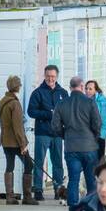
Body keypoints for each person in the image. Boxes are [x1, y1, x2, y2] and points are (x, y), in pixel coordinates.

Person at [52, 76, 104, 211]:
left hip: (71, 148)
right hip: (89, 147)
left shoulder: (61, 104)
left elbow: (55, 126)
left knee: (73, 180)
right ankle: (91, 208)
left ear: (70, 87)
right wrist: (94, 137)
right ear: (81, 87)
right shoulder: (90, 103)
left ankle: (73, 210)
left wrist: (65, 136)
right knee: (90, 180)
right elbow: (97, 123)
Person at [26, 65, 68, 203]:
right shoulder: (37, 93)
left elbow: (67, 112)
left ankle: (58, 189)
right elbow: (31, 111)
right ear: (44, 76)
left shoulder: (63, 93)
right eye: (48, 76)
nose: (51, 79)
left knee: (57, 163)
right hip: (42, 133)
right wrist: (48, 114)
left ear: (57, 76)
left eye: (53, 76)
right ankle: (38, 189)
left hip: (57, 134)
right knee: (39, 162)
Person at [0, 76, 33, 205]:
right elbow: (18, 126)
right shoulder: (15, 103)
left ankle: (9, 196)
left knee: (10, 165)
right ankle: (27, 197)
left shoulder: (2, 101)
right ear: (17, 87)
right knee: (29, 164)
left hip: (5, 140)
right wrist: (23, 144)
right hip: (15, 142)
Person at [85, 80, 106, 145]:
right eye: (86, 88)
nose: (87, 91)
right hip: (86, 137)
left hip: (99, 137)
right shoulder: (83, 101)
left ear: (96, 90)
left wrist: (101, 136)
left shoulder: (102, 101)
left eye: (90, 89)